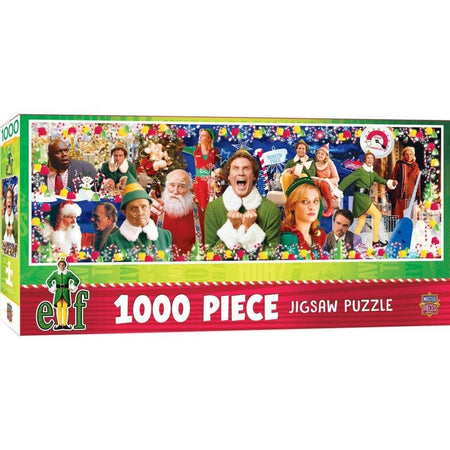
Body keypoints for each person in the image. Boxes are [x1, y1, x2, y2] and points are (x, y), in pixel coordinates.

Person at [204, 149, 280, 259]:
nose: (241, 173)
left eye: (246, 168)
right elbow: (210, 256)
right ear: (229, 176)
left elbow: (273, 257)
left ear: (254, 176)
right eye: (235, 169)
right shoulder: (213, 208)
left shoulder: (270, 209)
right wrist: (233, 228)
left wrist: (250, 228)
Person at [102, 175, 172, 262]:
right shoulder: (114, 239)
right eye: (133, 208)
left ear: (150, 207)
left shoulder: (165, 236)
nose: (140, 212)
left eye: (144, 207)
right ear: (124, 212)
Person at [335, 151, 397, 248]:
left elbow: (382, 180)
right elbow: (347, 180)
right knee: (377, 215)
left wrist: (391, 183)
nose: (370, 160)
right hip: (360, 198)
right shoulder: (360, 171)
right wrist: (338, 192)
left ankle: (351, 243)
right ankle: (375, 241)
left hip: (364, 197)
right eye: (368, 158)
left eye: (371, 158)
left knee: (361, 222)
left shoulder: (372, 173)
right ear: (364, 160)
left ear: (373, 161)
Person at [155, 169, 202, 259]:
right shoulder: (155, 210)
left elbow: (204, 245)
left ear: (189, 190)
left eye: (182, 186)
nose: (175, 191)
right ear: (166, 186)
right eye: (172, 185)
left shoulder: (198, 213)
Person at [280, 174, 325, 259]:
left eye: (315, 201)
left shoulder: (315, 237)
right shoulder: (289, 239)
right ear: (292, 206)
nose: (312, 207)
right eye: (305, 201)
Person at [45, 257, 81, 330]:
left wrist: (72, 287)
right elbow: (48, 281)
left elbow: (76, 280)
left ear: (65, 265)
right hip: (58, 292)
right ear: (58, 265)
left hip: (65, 292)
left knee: (65, 308)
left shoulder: (68, 273)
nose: (61, 266)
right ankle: (59, 324)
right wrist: (52, 288)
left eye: (63, 265)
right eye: (60, 265)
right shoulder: (55, 273)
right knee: (58, 308)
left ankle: (64, 324)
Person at [389, 146, 421, 218]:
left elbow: (417, 182)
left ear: (413, 155)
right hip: (399, 195)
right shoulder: (399, 164)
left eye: (410, 154)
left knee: (409, 217)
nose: (409, 156)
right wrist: (390, 192)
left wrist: (418, 196)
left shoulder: (416, 166)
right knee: (397, 216)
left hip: (410, 196)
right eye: (407, 154)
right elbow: (393, 177)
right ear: (403, 155)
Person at [313, 143, 339, 218]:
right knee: (314, 182)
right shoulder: (315, 164)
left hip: (329, 185)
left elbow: (336, 178)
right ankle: (318, 208)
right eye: (319, 153)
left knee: (324, 183)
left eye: (322, 154)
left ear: (326, 156)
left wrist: (327, 180)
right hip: (319, 185)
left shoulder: (330, 163)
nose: (320, 155)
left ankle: (330, 208)